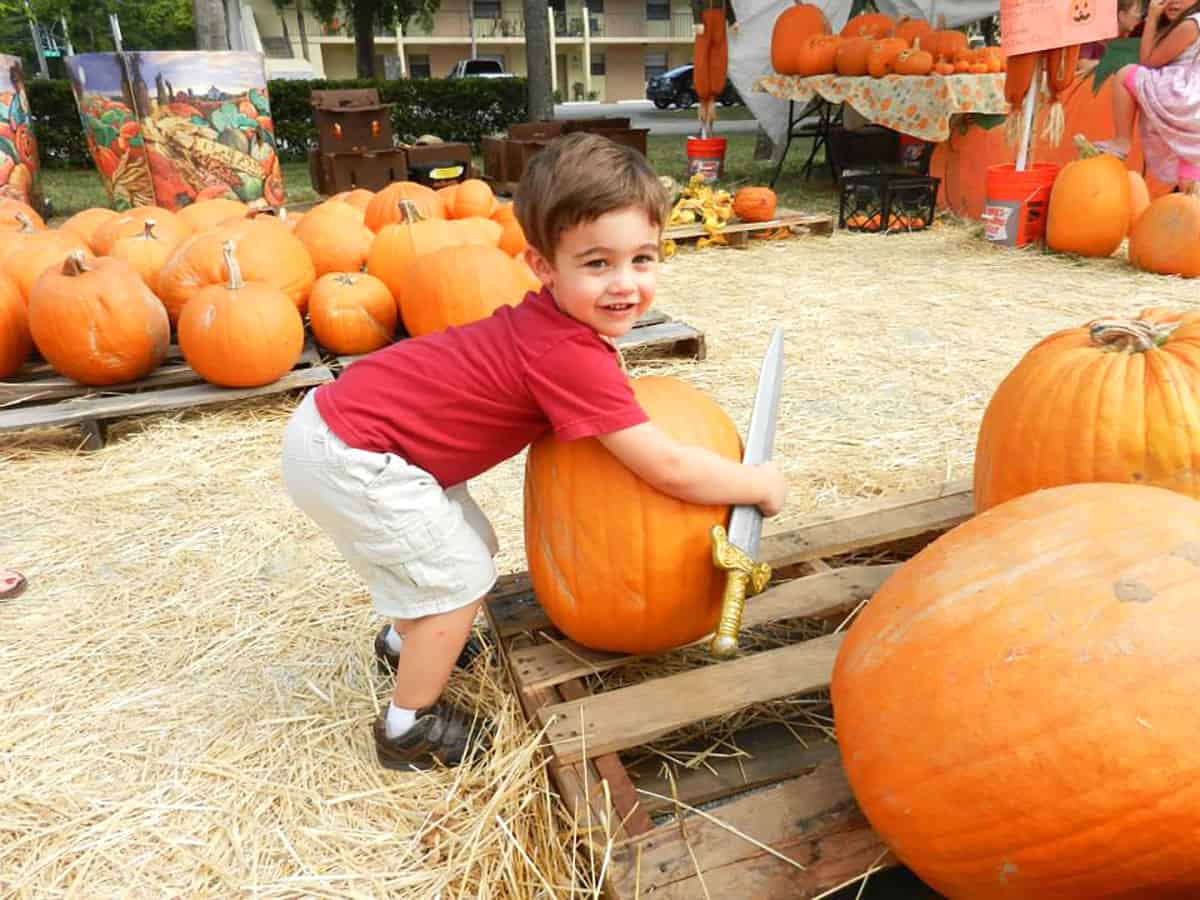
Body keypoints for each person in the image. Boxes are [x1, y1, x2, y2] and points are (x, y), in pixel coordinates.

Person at [280, 133, 790, 772]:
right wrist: (756, 485)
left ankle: (404, 639)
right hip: (354, 453)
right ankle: (408, 729)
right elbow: (666, 465)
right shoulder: (568, 354)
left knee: (468, 544)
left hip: (351, 432)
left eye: (642, 259)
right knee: (458, 578)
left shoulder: (554, 325)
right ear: (544, 267)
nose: (624, 283)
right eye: (597, 264)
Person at [1093, 0, 1200, 191]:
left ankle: (1122, 142)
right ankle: (1191, 208)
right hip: (1194, 109)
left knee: (1125, 74)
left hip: (1182, 96)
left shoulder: (1190, 25)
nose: (1171, 2)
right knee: (1191, 163)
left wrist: (1151, 19)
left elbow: (1149, 61)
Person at [1077, 0, 1146, 75]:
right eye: (1136, 11)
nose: (1139, 17)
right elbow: (1083, 66)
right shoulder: (1093, 39)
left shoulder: (1129, 42)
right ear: (1122, 16)